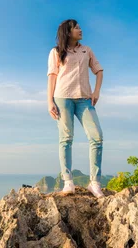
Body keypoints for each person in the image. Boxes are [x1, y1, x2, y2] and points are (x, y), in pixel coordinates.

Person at [47, 19, 105, 198]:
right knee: (66, 139)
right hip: (62, 97)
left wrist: (96, 92)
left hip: (84, 99)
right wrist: (49, 101)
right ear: (68, 31)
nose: (80, 30)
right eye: (77, 28)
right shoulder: (56, 52)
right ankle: (68, 182)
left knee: (97, 137)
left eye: (80, 27)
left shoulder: (86, 50)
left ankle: (94, 183)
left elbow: (99, 70)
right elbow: (52, 76)